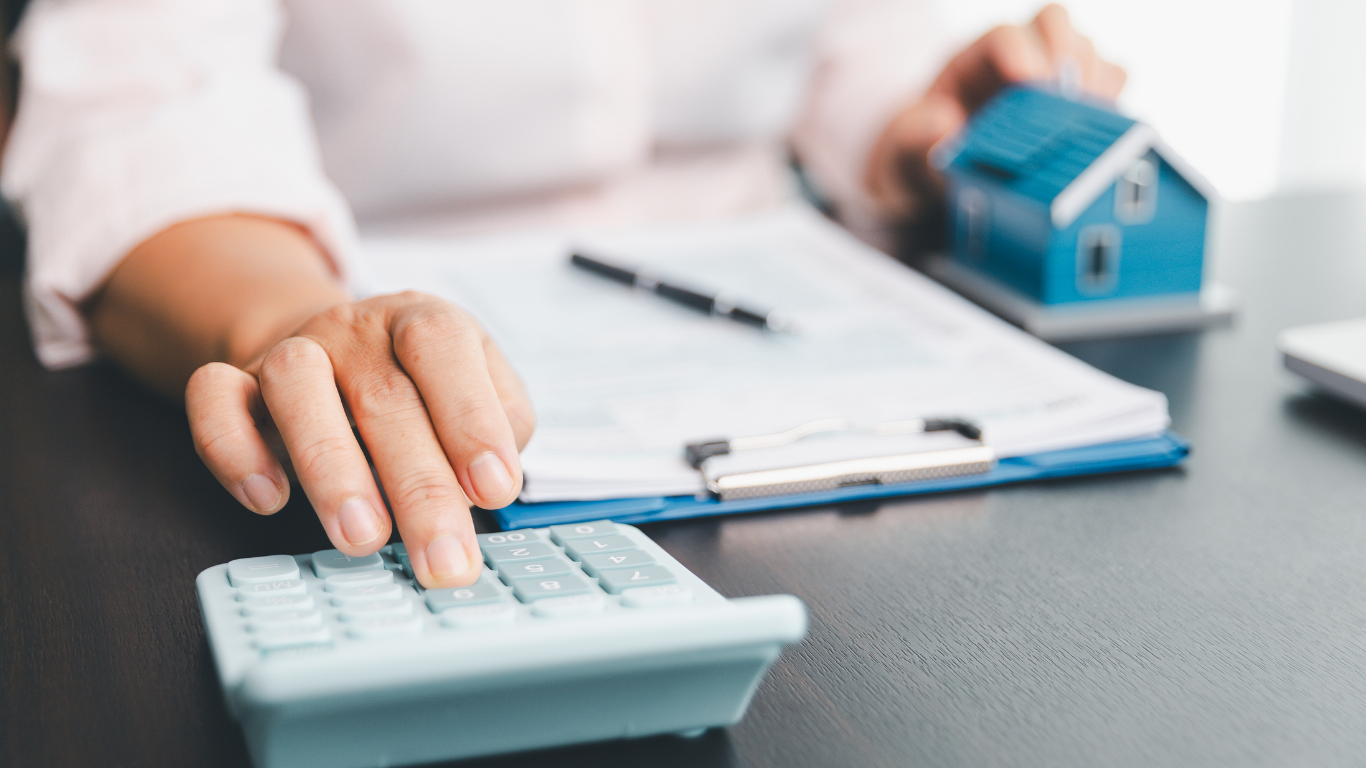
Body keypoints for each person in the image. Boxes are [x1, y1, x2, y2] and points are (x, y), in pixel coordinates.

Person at [2, 0, 1124, 588]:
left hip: (782, 306)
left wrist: (913, 126)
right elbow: (140, 106)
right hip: (368, 307)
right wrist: (289, 323)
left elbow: (838, 50)